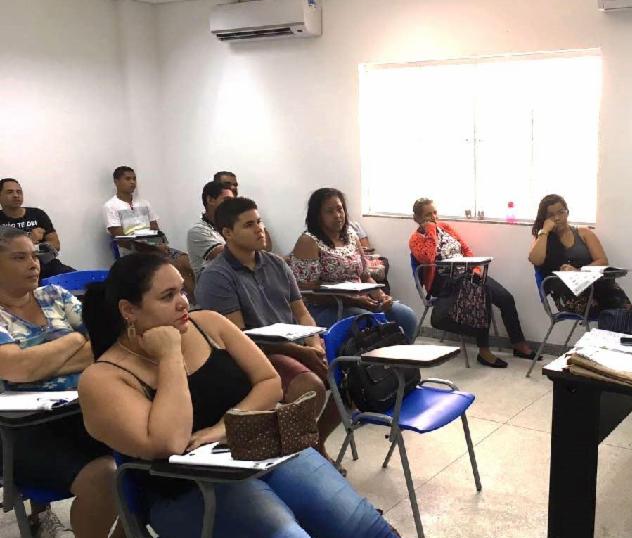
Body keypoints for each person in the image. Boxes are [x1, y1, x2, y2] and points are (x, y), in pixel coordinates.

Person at [78, 252, 462, 538]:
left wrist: (222, 427)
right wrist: (169, 357)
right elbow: (168, 442)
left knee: (366, 529)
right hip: (187, 493)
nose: (183, 302)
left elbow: (268, 382)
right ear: (129, 310)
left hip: (259, 449)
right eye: (167, 296)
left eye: (182, 289)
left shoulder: (208, 324)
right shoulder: (104, 378)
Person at [0, 227, 141, 538]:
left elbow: (107, 343)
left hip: (89, 406)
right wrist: (72, 342)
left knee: (150, 450)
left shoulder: (54, 294)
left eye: (33, 255)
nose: (32, 264)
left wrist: (42, 358)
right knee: (104, 474)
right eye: (19, 258)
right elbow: (15, 371)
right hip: (25, 430)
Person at [194, 197, 341, 462]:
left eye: (259, 221)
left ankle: (313, 441)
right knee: (310, 386)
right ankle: (298, 451)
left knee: (350, 378)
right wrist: (302, 353)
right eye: (249, 225)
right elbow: (239, 338)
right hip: (255, 354)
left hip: (294, 345)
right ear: (227, 233)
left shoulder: (276, 263)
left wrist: (315, 346)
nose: (259, 229)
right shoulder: (217, 276)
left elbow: (301, 312)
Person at [409, 198, 538, 368]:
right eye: (427, 215)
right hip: (444, 281)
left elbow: (466, 249)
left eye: (434, 212)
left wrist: (475, 269)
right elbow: (428, 257)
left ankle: (517, 343)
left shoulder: (446, 228)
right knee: (481, 293)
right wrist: (431, 230)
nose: (433, 217)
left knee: (505, 297)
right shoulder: (415, 239)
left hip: (468, 274)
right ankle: (484, 352)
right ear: (416, 218)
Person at [289, 188, 418, 341]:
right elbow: (306, 290)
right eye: (329, 211)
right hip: (325, 307)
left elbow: (365, 276)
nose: (337, 215)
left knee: (406, 316)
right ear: (317, 216)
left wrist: (381, 296)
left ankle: (399, 363)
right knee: (369, 321)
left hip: (360, 301)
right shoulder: (308, 241)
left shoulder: (351, 236)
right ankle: (372, 364)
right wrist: (352, 300)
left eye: (340, 209)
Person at [527, 194, 631, 314]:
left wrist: (579, 271)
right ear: (545, 218)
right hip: (566, 293)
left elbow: (602, 260)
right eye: (551, 215)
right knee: (609, 311)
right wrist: (544, 231)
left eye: (561, 212)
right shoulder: (543, 239)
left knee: (620, 303)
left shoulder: (583, 233)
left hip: (594, 285)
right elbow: (536, 260)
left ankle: (629, 324)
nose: (557, 218)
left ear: (567, 212)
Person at [103, 166, 195, 299]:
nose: (132, 182)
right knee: (174, 266)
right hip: (133, 249)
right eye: (127, 179)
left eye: (134, 179)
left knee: (188, 261)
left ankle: (197, 302)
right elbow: (120, 236)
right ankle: (189, 304)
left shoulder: (144, 203)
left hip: (154, 245)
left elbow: (155, 228)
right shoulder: (111, 206)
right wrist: (150, 244)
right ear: (116, 182)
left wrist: (159, 244)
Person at [0, 178, 75, 279]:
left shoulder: (37, 214)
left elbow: (56, 245)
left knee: (89, 284)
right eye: (10, 192)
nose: (16, 195)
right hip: (15, 272)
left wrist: (28, 247)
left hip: (47, 265)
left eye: (19, 192)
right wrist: (30, 240)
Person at [212, 170, 272, 251]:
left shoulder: (247, 211)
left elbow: (266, 246)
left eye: (235, 185)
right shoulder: (202, 228)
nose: (233, 187)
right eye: (227, 184)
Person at [186, 180, 234, 277]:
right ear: (210, 200)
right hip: (213, 286)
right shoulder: (197, 231)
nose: (232, 205)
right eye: (227, 200)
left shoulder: (230, 225)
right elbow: (231, 256)